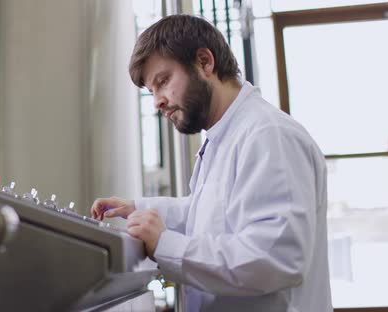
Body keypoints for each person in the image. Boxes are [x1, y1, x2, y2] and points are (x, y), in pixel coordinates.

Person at [90, 14, 332, 312]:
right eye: (151, 91)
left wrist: (165, 244)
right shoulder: (224, 138)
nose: (157, 102)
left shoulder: (268, 135)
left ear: (205, 62)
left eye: (163, 81)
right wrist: (138, 209)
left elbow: (275, 258)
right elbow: (209, 214)